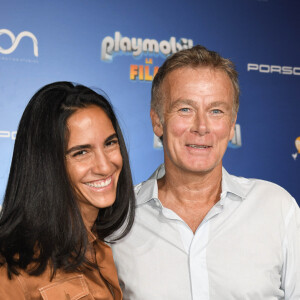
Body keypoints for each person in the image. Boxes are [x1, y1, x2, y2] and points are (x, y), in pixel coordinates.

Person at [110, 45, 300, 299]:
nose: (201, 126)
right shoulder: (118, 221)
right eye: (185, 109)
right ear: (157, 121)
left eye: (216, 111)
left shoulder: (278, 209)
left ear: (231, 125)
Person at [0, 82, 135, 299]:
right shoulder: (12, 269)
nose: (105, 166)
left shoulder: (109, 249)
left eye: (110, 143)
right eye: (81, 152)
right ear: (45, 164)